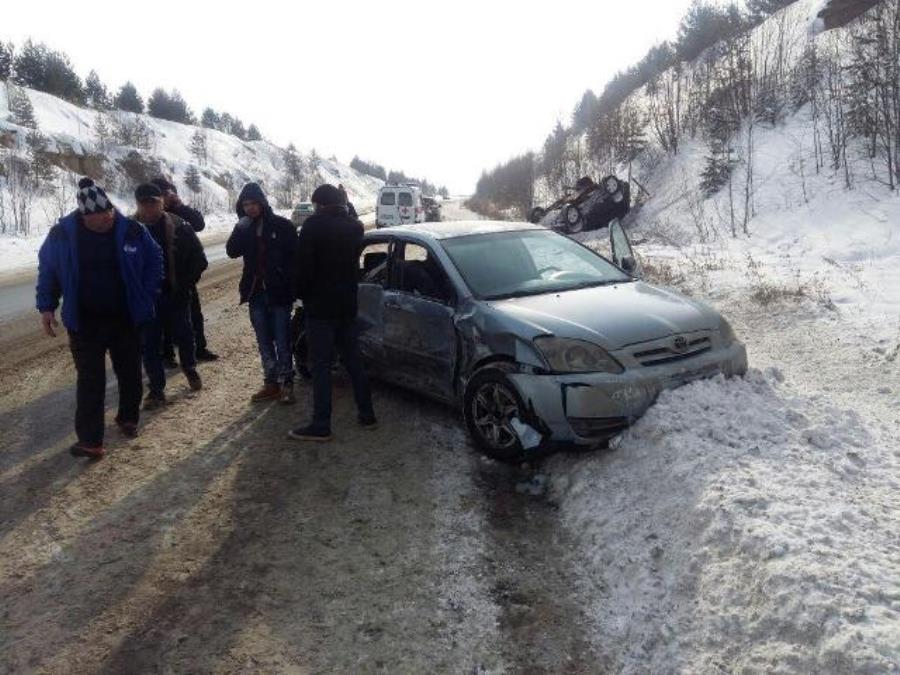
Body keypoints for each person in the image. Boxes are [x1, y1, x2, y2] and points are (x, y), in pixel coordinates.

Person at [36, 177, 163, 459]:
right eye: (99, 220)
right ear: (84, 217)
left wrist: (148, 292)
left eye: (109, 216)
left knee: (130, 371)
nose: (106, 222)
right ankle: (91, 441)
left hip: (125, 317)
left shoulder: (132, 229)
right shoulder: (62, 234)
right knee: (90, 380)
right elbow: (48, 271)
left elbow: (155, 259)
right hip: (85, 320)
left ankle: (128, 418)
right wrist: (46, 306)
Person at [289, 184, 376, 442]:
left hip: (321, 309)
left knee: (321, 366)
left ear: (320, 204)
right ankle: (367, 414)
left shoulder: (312, 227)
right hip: (347, 306)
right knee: (353, 361)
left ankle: (321, 423)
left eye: (315, 204)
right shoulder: (355, 227)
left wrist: (302, 294)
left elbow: (303, 269)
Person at [134, 183, 207, 409]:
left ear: (162, 202)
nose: (149, 208)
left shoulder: (179, 226)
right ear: (138, 204)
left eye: (154, 203)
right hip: (147, 300)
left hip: (175, 296)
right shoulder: (129, 230)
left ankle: (190, 370)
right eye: (144, 203)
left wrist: (184, 286)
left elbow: (200, 260)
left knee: (185, 336)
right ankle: (156, 390)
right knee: (150, 345)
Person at [226, 182, 298, 404]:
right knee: (264, 340)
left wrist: (290, 285)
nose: (250, 208)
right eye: (245, 204)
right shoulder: (244, 227)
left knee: (283, 339)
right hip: (255, 292)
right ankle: (271, 383)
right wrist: (239, 228)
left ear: (262, 203)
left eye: (253, 203)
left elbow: (295, 259)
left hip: (279, 293)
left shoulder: (282, 226)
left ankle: (287, 383)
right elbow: (231, 252)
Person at [151, 177, 219, 364]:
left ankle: (199, 348)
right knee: (163, 318)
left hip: (183, 272)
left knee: (193, 313)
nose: (168, 197)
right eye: (164, 194)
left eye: (171, 193)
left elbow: (199, 224)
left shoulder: (178, 211)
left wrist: (180, 206)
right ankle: (167, 354)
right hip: (160, 276)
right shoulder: (149, 217)